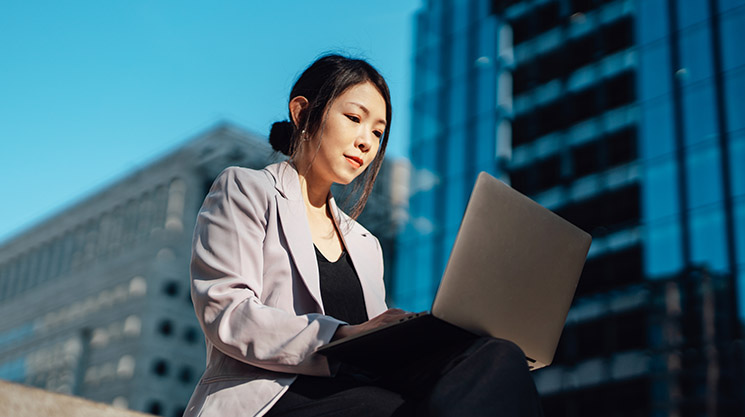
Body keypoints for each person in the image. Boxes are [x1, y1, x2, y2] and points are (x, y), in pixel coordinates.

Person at [182, 54, 543, 417]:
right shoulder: (246, 189)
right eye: (354, 119)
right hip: (270, 399)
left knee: (497, 354)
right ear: (302, 112)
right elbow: (226, 311)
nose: (367, 142)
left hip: (358, 395)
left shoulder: (365, 243)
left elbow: (377, 348)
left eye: (377, 132)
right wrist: (342, 336)